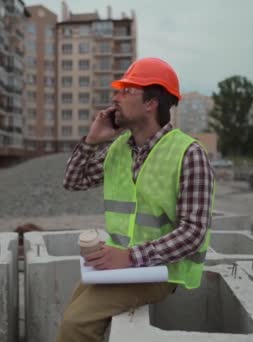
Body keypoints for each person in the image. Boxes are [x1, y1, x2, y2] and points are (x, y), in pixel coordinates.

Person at [58, 57, 215, 342]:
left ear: (150, 103)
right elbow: (73, 181)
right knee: (72, 309)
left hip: (163, 270)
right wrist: (91, 142)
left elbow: (193, 232)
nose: (115, 97)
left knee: (76, 323)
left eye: (126, 91)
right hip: (124, 264)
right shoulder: (120, 148)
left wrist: (131, 257)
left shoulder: (189, 153)